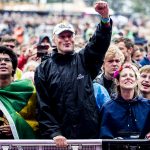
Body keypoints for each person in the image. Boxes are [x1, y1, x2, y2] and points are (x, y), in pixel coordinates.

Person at [34, 1, 112, 147]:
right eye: (62, 36)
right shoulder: (43, 69)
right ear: (54, 40)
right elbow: (43, 105)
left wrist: (105, 18)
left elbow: (98, 44)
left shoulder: (84, 59)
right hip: (59, 140)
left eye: (69, 36)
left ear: (74, 37)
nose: (67, 39)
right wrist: (54, 133)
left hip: (88, 135)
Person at [100, 63, 150, 139]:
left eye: (131, 75)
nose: (128, 78)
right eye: (124, 75)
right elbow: (105, 135)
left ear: (136, 81)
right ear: (117, 82)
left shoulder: (147, 106)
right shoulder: (108, 108)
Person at [0, 46, 38, 139]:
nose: (3, 63)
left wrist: (15, 128)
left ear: (13, 68)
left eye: (7, 60)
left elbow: (38, 121)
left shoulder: (27, 90)